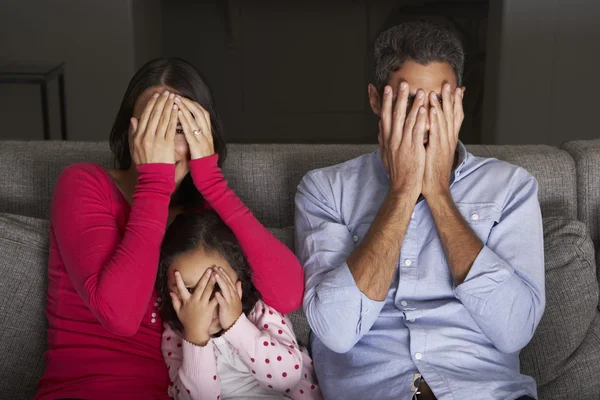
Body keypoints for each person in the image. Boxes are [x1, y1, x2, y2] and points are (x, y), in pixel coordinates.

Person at [295, 21, 545, 400]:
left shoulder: (511, 188)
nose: (425, 120)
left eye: (439, 103)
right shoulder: (325, 189)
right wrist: (402, 191)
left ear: (459, 102)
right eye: (409, 102)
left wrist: (439, 194)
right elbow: (336, 331)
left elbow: (514, 330)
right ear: (377, 100)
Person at [35, 58, 304, 400]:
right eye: (153, 125)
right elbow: (119, 316)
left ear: (204, 135)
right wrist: (154, 185)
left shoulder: (203, 218)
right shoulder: (83, 184)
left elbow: (288, 295)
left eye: (179, 129)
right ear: (129, 131)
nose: (164, 144)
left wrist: (213, 183)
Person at [157, 211, 321, 399]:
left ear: (238, 275)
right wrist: (196, 337)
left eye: (217, 285)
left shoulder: (260, 312)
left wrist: (237, 325)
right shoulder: (176, 334)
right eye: (190, 291)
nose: (206, 304)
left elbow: (287, 379)